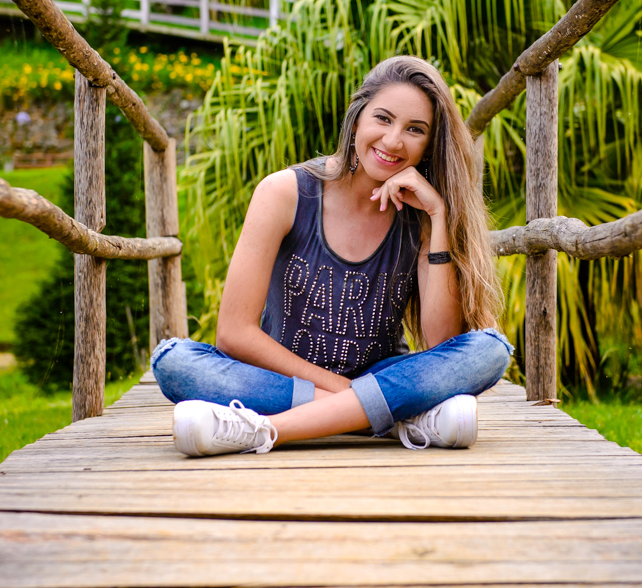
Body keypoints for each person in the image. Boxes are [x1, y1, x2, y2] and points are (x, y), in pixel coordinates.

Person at [151, 56, 512, 457]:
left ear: (429, 145)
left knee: (490, 349)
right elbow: (234, 334)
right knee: (175, 361)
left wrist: (438, 217)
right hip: (278, 378)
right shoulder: (285, 193)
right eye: (383, 118)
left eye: (415, 129)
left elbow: (444, 342)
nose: (393, 141)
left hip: (373, 375)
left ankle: (261, 429)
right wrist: (353, 396)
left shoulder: (422, 215)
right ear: (356, 119)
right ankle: (397, 420)